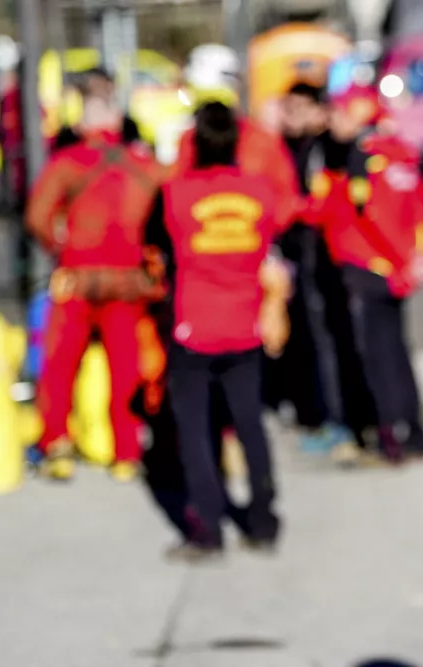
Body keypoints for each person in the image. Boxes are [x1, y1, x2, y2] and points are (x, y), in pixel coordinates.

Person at [150, 102, 294, 559]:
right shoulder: (259, 191)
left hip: (195, 324)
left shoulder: (177, 193)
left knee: (194, 429)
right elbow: (274, 231)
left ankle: (208, 528)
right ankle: (264, 520)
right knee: (250, 424)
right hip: (245, 323)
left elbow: (163, 240)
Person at [25, 70, 166, 483]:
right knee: (126, 368)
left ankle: (57, 445)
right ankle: (125, 452)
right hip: (128, 281)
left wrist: (59, 245)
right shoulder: (144, 166)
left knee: (60, 366)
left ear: (85, 121)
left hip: (76, 278)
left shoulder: (67, 163)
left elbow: (37, 217)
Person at [306, 82, 423, 465]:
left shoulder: (362, 157)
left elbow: (373, 214)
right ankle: (414, 435)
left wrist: (401, 262)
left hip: (370, 267)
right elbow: (422, 213)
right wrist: (420, 259)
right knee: (397, 351)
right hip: (396, 269)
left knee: (378, 357)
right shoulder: (399, 152)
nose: (331, 120)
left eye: (337, 112)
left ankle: (389, 439)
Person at [273, 81, 375, 455]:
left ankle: (345, 423)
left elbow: (330, 203)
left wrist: (297, 209)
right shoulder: (295, 147)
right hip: (306, 259)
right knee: (311, 343)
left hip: (331, 263)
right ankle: (322, 415)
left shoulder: (330, 149)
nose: (291, 116)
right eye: (288, 108)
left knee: (336, 344)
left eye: (300, 108)